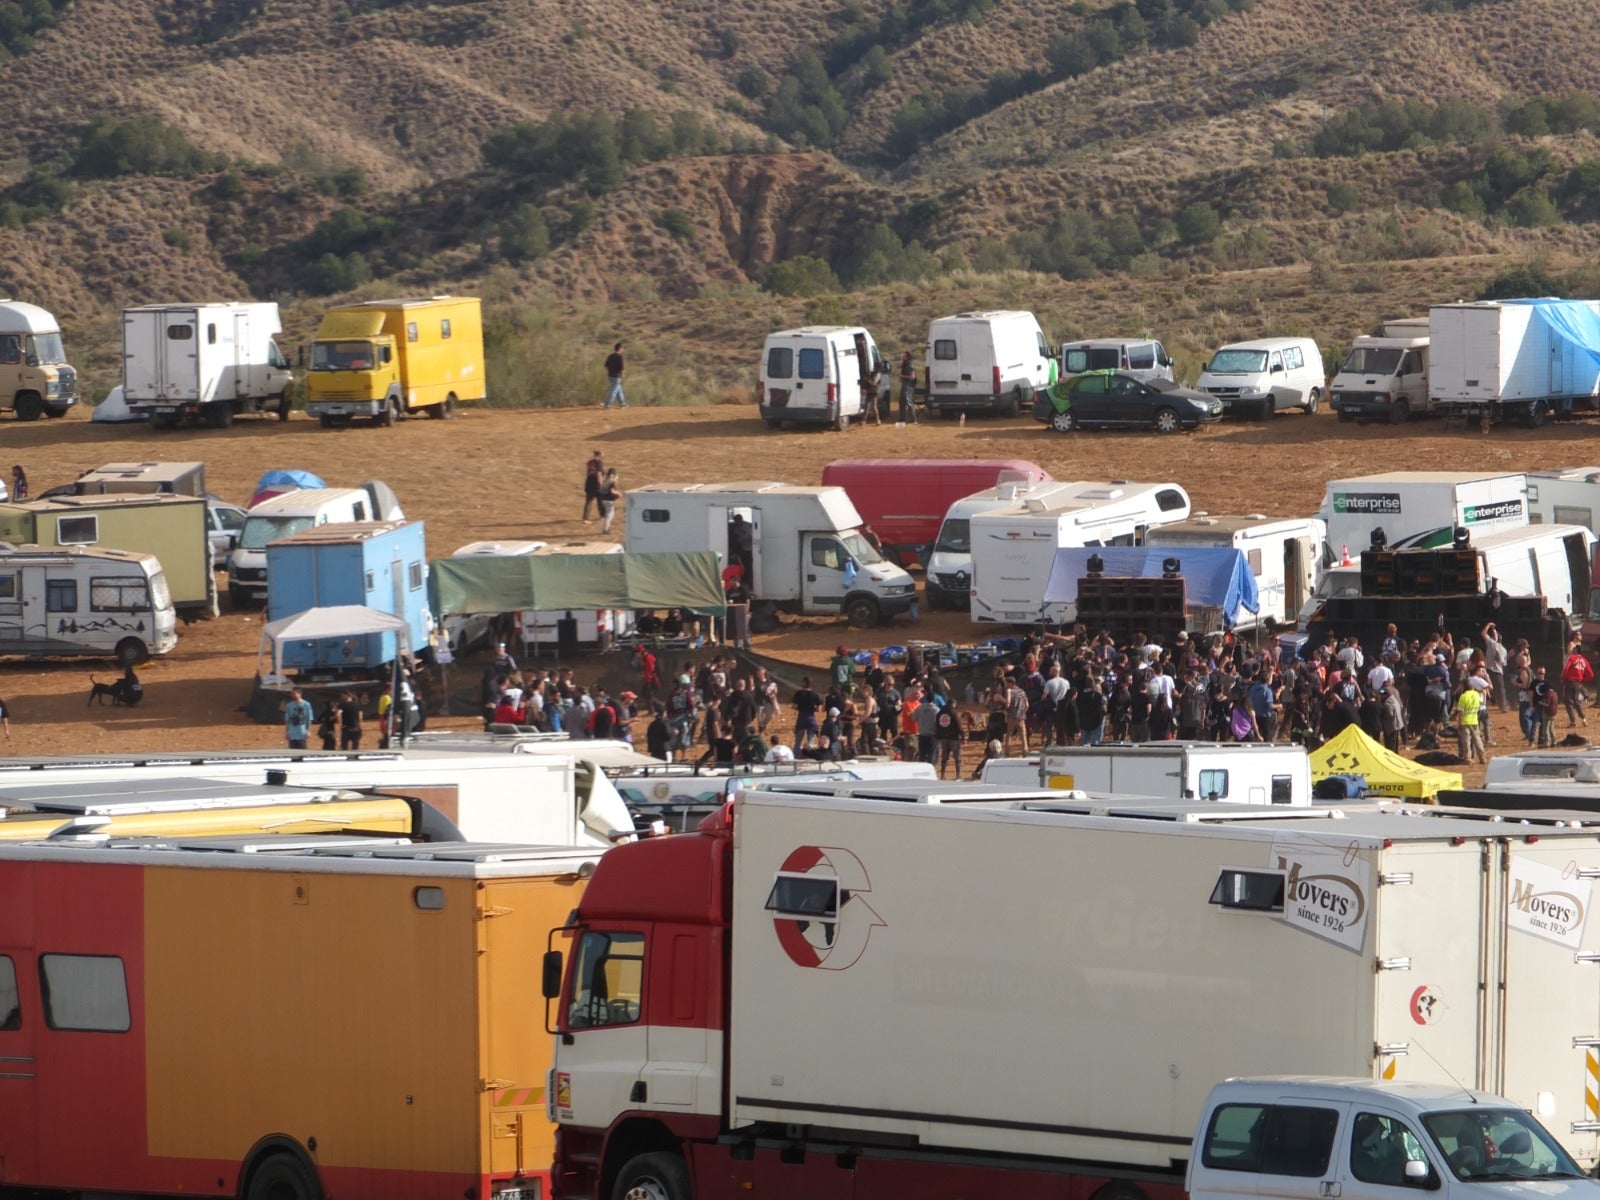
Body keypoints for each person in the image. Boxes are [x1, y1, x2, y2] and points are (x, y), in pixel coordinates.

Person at [1456, 680, 1487, 765]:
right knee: (1477, 740)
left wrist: (1459, 724)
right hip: (1474, 720)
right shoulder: (1476, 694)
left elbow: (1461, 712)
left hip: (1465, 721)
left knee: (1466, 741)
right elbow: (1482, 703)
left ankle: (1468, 759)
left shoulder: (1463, 696)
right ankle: (1482, 758)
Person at [603, 341, 626, 409]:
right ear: (620, 348)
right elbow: (621, 368)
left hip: (610, 376)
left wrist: (610, 371)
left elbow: (606, 366)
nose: (623, 349)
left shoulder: (610, 356)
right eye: (622, 348)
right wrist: (622, 375)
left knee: (618, 389)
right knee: (613, 391)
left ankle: (623, 404)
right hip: (617, 376)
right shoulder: (620, 357)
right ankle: (607, 405)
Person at [582, 449, 605, 522]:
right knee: (600, 501)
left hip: (589, 483)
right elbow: (599, 474)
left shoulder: (589, 462)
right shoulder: (599, 463)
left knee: (588, 502)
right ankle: (602, 516)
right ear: (600, 455)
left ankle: (585, 518)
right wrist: (601, 484)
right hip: (596, 484)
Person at [597, 468, 621, 534]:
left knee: (608, 515)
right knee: (610, 515)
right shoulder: (612, 482)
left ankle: (608, 529)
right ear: (613, 475)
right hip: (608, 500)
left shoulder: (605, 480)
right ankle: (606, 529)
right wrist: (619, 494)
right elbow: (612, 491)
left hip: (603, 499)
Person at [898, 351, 917, 421]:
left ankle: (912, 419)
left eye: (904, 356)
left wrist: (902, 376)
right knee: (902, 401)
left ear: (908, 357)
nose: (903, 357)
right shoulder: (905, 364)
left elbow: (912, 377)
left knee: (908, 401)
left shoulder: (910, 365)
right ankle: (902, 418)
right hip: (904, 384)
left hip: (909, 385)